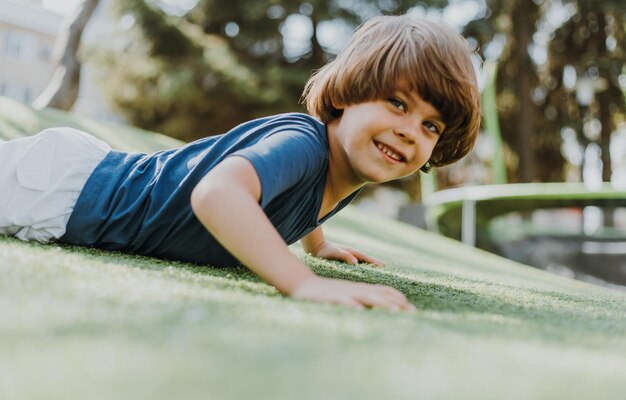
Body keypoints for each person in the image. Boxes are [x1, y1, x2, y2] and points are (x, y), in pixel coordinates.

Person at [0, 15, 481, 311]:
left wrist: (318, 241)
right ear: (350, 93)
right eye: (398, 104)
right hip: (68, 191)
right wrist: (302, 283)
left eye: (430, 126)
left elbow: (301, 198)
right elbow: (217, 193)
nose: (409, 130)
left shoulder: (347, 167)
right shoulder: (304, 144)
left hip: (78, 186)